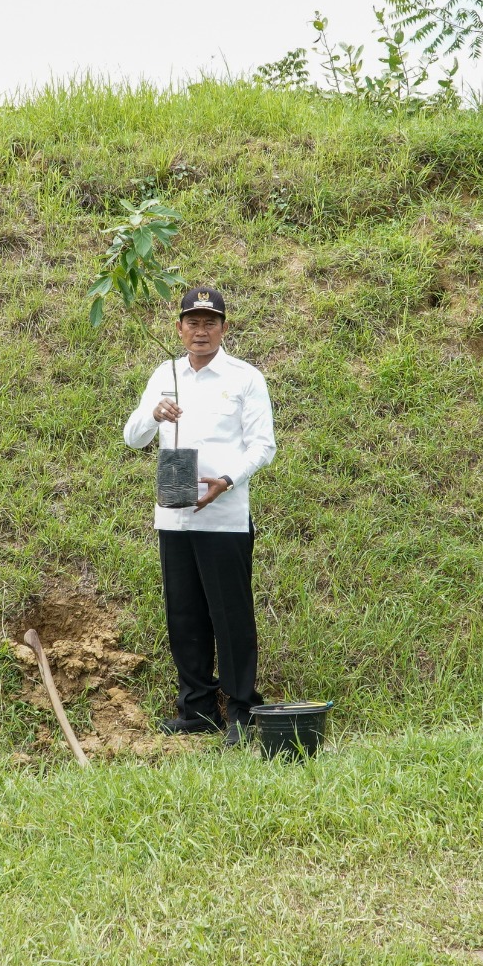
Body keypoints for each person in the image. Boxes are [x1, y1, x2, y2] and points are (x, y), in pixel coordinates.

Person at [122, 287, 277, 744]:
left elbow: (263, 446)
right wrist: (154, 413)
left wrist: (226, 481)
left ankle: (243, 710)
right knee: (184, 615)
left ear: (224, 329)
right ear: (180, 328)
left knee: (230, 616)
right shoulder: (165, 374)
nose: (201, 331)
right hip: (173, 517)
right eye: (193, 322)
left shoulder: (246, 378)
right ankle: (197, 708)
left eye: (210, 322)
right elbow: (133, 438)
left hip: (224, 517)